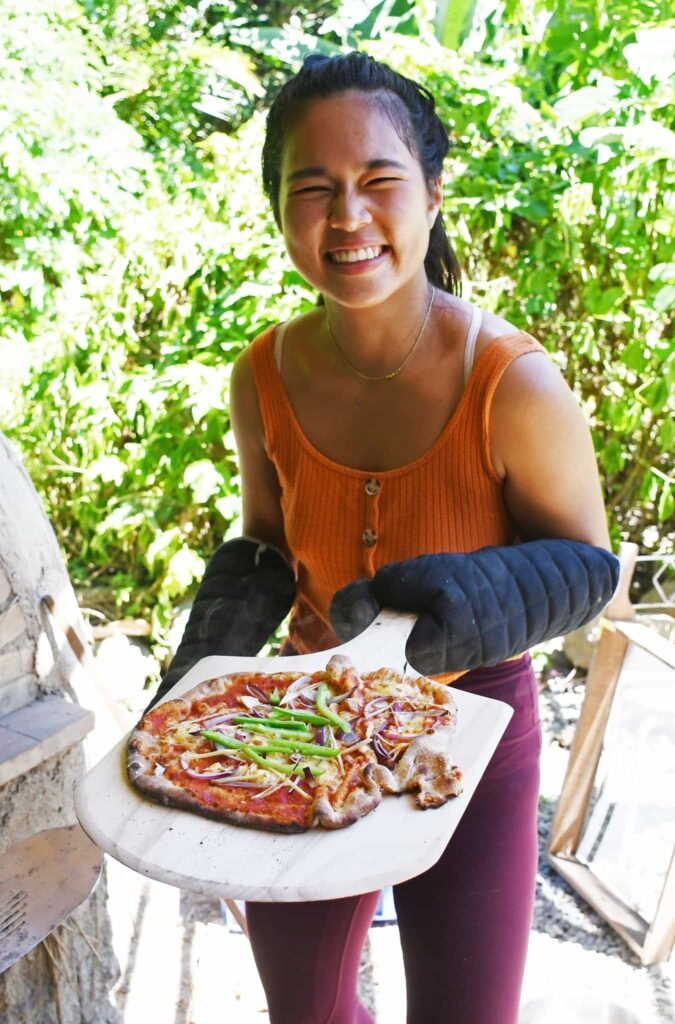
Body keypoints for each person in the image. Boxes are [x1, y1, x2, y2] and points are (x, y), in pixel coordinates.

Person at [148, 52, 619, 1024]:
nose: (346, 217)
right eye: (310, 188)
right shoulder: (262, 375)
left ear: (433, 193)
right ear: (277, 208)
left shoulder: (511, 385)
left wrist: (469, 601)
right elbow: (267, 544)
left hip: (470, 722)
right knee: (306, 1011)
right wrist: (197, 673)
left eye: (377, 182)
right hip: (306, 714)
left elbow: (593, 572)